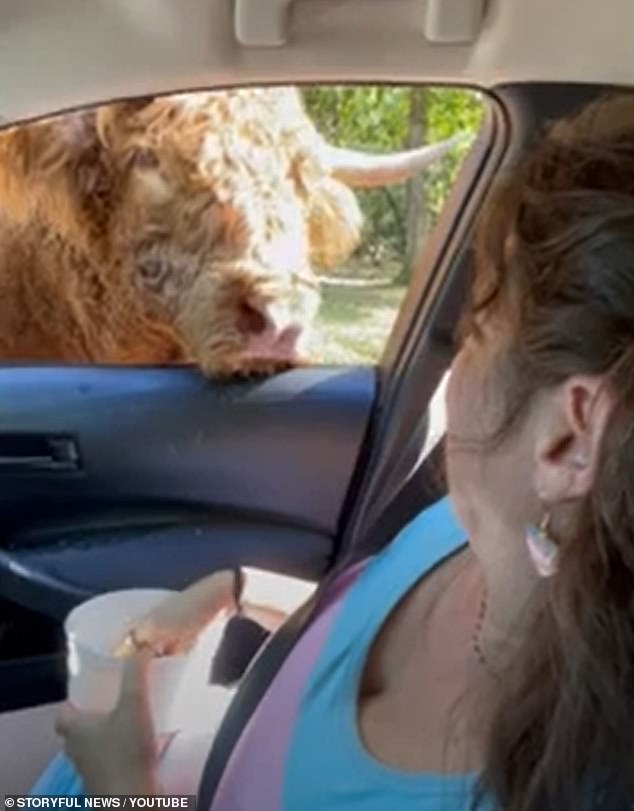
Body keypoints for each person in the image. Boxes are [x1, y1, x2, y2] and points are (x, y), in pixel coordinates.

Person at [30, 93, 634, 810]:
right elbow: (362, 620)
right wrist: (240, 590)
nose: (448, 361)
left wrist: (123, 791)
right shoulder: (472, 529)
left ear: (569, 437)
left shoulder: (547, 784)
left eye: (475, 327)